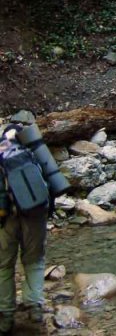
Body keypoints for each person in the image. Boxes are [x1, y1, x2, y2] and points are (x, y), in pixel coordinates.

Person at [0, 112, 48, 336]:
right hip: (35, 214)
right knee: (34, 260)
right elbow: (49, 181)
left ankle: (6, 314)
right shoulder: (34, 150)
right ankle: (34, 307)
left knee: (4, 266)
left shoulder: (2, 152)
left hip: (6, 218)